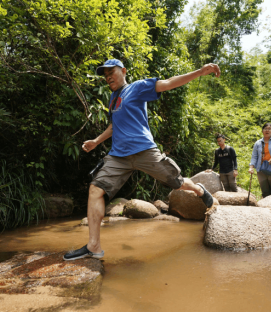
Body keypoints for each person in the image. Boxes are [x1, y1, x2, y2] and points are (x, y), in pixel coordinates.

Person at [63, 59, 221, 261]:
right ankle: (93, 246)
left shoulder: (137, 88)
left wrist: (199, 72)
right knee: (95, 189)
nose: (108, 76)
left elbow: (169, 82)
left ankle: (198, 189)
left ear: (123, 71)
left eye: (112, 71)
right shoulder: (113, 98)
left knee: (177, 182)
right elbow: (114, 126)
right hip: (118, 156)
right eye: (105, 74)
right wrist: (96, 141)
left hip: (145, 151)